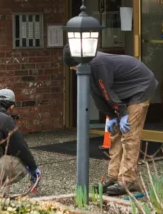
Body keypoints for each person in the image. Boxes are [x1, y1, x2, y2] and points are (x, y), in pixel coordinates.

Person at [63, 46, 158, 196]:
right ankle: (114, 177)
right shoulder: (89, 67)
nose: (74, 70)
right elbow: (97, 94)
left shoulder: (97, 64)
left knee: (129, 134)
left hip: (141, 86)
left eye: (74, 67)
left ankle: (128, 180)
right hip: (123, 91)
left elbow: (106, 91)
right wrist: (111, 115)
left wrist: (122, 113)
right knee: (115, 134)